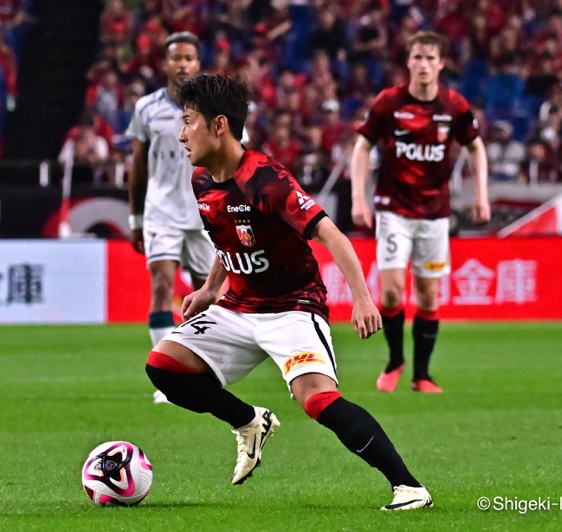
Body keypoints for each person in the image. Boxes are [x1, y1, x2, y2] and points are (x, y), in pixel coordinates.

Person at [145, 73, 433, 511]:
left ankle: (408, 486)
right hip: (238, 307)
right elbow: (230, 240)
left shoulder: (266, 179)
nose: (181, 134)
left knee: (317, 400)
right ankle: (248, 421)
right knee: (163, 366)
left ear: (219, 125)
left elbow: (332, 235)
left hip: (292, 308)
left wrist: (362, 297)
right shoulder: (201, 180)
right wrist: (207, 290)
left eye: (188, 122)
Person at [350, 31, 490, 394]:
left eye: (430, 58)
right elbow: (361, 147)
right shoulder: (388, 103)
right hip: (393, 209)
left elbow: (476, 148)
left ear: (441, 63)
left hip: (434, 214)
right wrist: (359, 198)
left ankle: (422, 375)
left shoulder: (454, 105)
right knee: (393, 293)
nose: (424, 64)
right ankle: (395, 361)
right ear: (408, 62)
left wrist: (481, 195)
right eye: (417, 57)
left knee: (428, 296)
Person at [126, 32, 215, 404]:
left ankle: (200, 371)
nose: (182, 64)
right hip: (161, 211)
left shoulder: (214, 106)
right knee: (162, 285)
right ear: (165, 63)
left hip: (204, 211)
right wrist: (134, 218)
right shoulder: (147, 108)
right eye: (175, 57)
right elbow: (138, 166)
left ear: (198, 64)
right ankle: (167, 379)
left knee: (206, 294)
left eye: (189, 58)